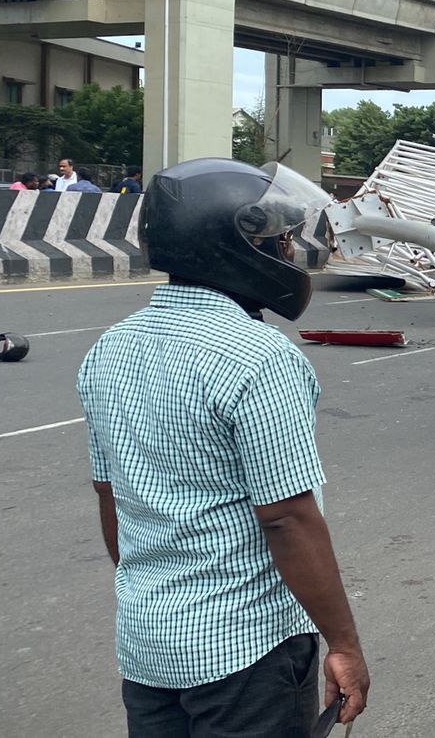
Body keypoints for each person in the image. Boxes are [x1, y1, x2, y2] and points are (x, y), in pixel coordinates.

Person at [78, 159, 369, 735]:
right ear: (232, 248)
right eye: (276, 240)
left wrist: (156, 595)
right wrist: (344, 645)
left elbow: (110, 494)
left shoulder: (109, 349)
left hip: (147, 642)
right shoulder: (260, 358)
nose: (286, 252)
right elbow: (286, 517)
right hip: (246, 652)